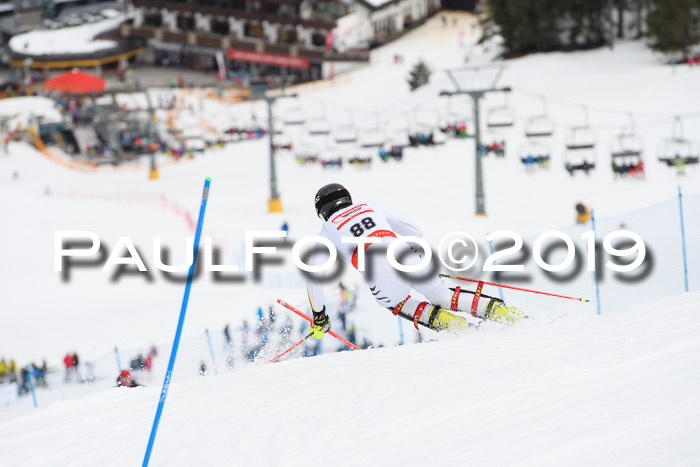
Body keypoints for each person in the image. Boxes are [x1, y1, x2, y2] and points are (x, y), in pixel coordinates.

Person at [305, 184, 524, 335]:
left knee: (396, 301)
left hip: (376, 267)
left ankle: (458, 328)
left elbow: (315, 277)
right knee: (444, 296)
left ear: (323, 211)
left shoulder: (326, 231)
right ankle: (507, 314)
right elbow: (414, 230)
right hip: (405, 253)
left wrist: (320, 316)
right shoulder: (370, 206)